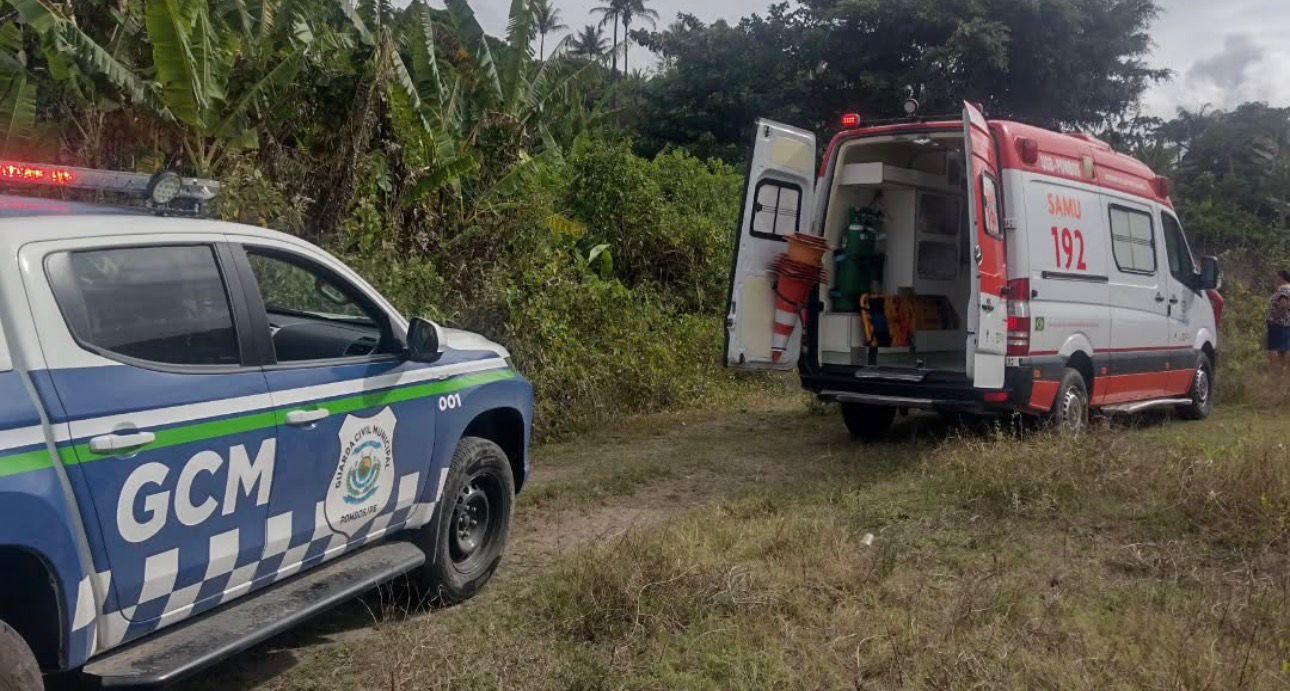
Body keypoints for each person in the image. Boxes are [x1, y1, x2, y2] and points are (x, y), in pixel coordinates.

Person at [1267, 270, 1290, 374]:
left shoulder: (1283, 289)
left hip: (1278, 324)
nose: (1275, 279)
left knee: (1274, 348)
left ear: (1282, 277)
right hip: (1287, 323)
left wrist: (1275, 318)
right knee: (1283, 349)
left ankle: (1275, 372)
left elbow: (1283, 305)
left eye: (1277, 277)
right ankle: (1283, 371)